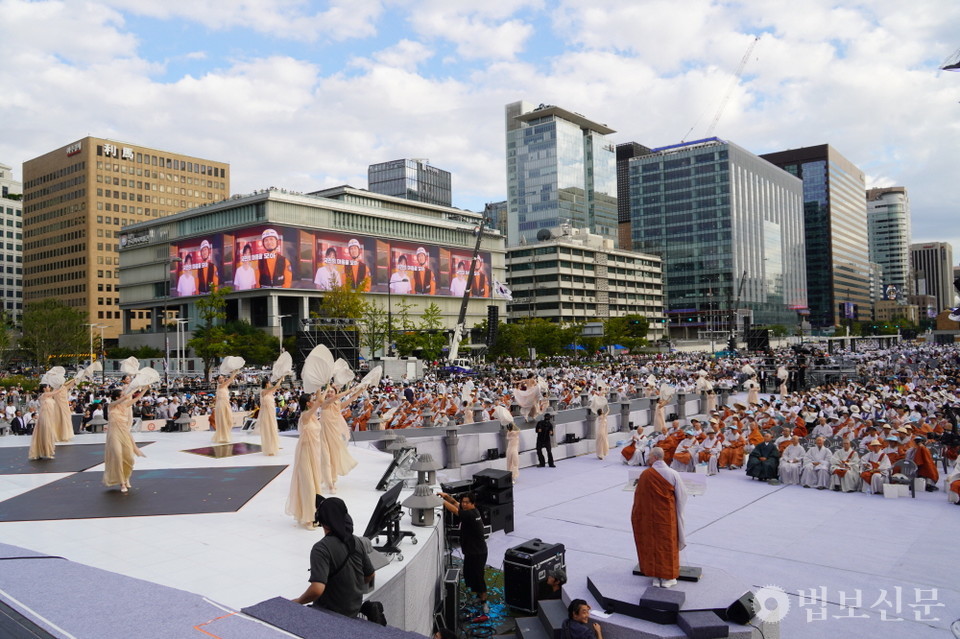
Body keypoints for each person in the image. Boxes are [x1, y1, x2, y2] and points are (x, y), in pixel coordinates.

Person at [293, 497, 375, 618]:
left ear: (321, 520)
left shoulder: (321, 549)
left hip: (329, 614)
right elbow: (370, 575)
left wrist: (299, 601)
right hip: (353, 611)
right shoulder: (356, 541)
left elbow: (317, 589)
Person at [631, 447, 687, 588]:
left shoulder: (646, 474)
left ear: (655, 457)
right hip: (667, 517)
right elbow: (682, 496)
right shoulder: (673, 473)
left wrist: (639, 514)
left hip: (650, 518)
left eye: (650, 456)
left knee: (653, 544)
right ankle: (668, 577)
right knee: (667, 545)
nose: (648, 458)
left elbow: (639, 498)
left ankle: (655, 576)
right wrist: (679, 511)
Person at [438, 491, 489, 613]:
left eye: (467, 503)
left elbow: (455, 510)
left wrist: (441, 502)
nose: (464, 504)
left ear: (473, 504)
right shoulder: (469, 511)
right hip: (471, 551)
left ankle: (484, 602)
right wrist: (446, 497)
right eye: (463, 502)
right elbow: (456, 504)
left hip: (478, 553)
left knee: (478, 577)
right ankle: (478, 596)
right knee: (470, 575)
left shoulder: (471, 514)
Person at [287, 391, 326, 527]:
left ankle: (315, 514)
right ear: (308, 403)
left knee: (315, 484)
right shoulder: (305, 416)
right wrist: (320, 394)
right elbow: (319, 402)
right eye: (312, 400)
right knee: (308, 484)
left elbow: (319, 400)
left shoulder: (313, 416)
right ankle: (308, 517)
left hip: (314, 452)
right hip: (305, 453)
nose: (314, 401)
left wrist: (322, 387)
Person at [318, 384, 363, 493]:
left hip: (334, 435)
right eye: (328, 392)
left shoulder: (337, 404)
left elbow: (352, 399)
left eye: (331, 392)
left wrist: (360, 390)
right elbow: (335, 398)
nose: (329, 393)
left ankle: (332, 481)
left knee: (333, 459)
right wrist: (349, 390)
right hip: (323, 435)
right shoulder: (324, 404)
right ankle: (329, 485)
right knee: (326, 459)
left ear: (335, 392)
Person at [103, 387, 147, 493]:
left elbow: (137, 397)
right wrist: (125, 397)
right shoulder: (111, 406)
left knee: (129, 458)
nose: (124, 396)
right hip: (114, 435)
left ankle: (126, 477)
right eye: (121, 395)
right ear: (117, 397)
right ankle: (122, 482)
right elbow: (118, 401)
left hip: (125, 434)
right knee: (118, 456)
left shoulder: (125, 405)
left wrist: (145, 388)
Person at [28, 384, 57, 461]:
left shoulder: (48, 396)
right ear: (44, 388)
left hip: (49, 416)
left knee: (47, 433)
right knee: (46, 433)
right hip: (45, 416)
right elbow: (56, 392)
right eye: (48, 387)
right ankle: (46, 452)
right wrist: (62, 386)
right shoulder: (44, 395)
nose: (49, 388)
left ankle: (45, 452)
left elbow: (55, 393)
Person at [212, 370, 240, 443]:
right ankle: (222, 436)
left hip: (226, 403)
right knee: (223, 420)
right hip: (221, 404)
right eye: (220, 378)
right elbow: (230, 380)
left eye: (222, 378)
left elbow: (230, 380)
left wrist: (234, 373)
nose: (221, 379)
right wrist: (234, 373)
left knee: (229, 420)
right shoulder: (220, 386)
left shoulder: (225, 386)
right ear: (217, 380)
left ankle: (225, 434)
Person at [258, 379, 281, 456]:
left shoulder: (270, 392)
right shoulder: (263, 391)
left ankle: (273, 447)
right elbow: (275, 386)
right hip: (266, 414)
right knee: (268, 430)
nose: (270, 384)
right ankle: (269, 448)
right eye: (269, 382)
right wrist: (281, 378)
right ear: (267, 384)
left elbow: (276, 387)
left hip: (271, 413)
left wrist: (281, 378)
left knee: (273, 429)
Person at [53, 376, 78, 443]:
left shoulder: (61, 388)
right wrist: (73, 380)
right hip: (59, 407)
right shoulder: (60, 389)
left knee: (63, 420)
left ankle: (62, 435)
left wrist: (74, 379)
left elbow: (70, 384)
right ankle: (59, 435)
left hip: (63, 407)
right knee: (60, 420)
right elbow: (70, 384)